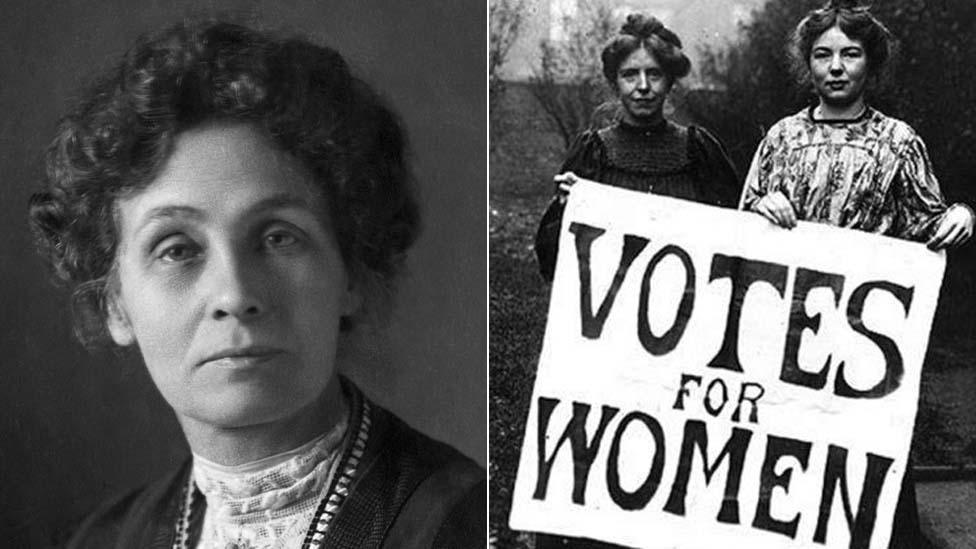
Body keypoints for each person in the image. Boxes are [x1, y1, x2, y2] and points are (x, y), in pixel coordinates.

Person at [28, 21, 483, 549]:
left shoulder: (457, 523)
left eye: (278, 238)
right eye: (176, 249)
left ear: (350, 273)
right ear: (115, 304)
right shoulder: (102, 541)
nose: (235, 294)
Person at [740, 1, 973, 547]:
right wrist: (762, 208)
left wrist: (962, 216)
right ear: (807, 64)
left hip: (866, 344)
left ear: (872, 62)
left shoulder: (898, 142)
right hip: (789, 343)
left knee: (869, 481)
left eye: (851, 53)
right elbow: (738, 229)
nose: (836, 67)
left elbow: (928, 223)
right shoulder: (780, 139)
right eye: (823, 55)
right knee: (789, 477)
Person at [534, 14, 740, 281]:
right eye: (630, 75)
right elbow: (551, 264)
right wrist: (565, 208)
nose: (643, 86)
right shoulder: (593, 153)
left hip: (686, 312)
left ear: (669, 82)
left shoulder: (698, 150)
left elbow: (736, 242)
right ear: (614, 83)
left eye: (654, 74)